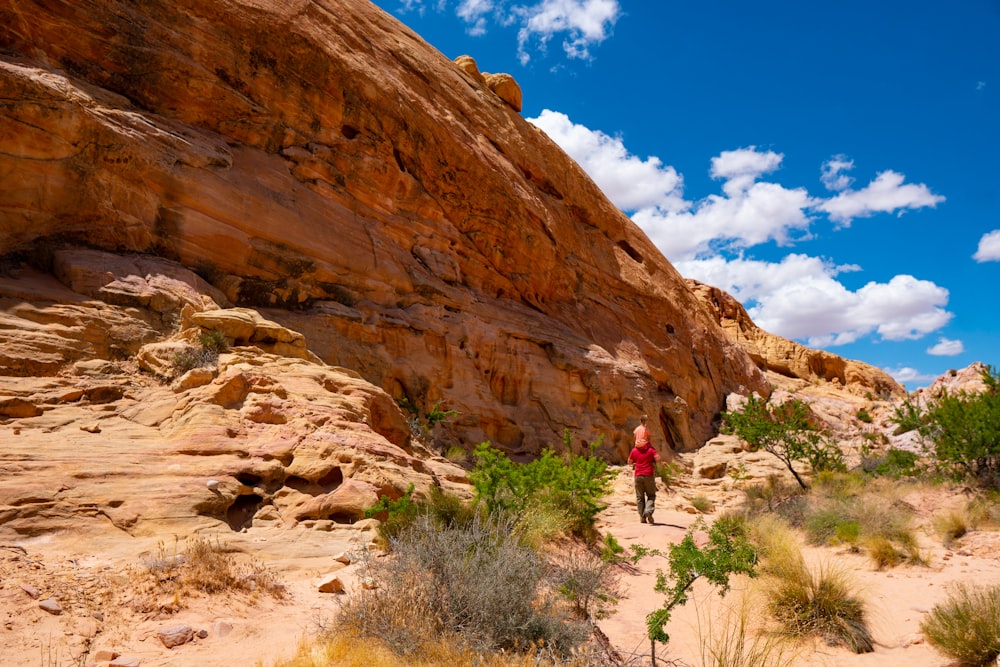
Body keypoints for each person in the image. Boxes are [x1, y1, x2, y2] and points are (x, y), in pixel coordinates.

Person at [628, 415, 659, 524]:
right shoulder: (650, 448)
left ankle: (642, 517)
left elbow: (629, 462)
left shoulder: (634, 449)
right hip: (649, 474)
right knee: (651, 495)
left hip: (638, 475)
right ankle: (648, 511)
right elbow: (658, 459)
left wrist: (636, 460)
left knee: (640, 497)